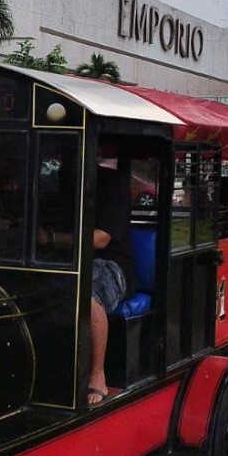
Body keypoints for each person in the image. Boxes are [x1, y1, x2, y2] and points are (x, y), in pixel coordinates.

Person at [88, 163, 133, 407]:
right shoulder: (55, 181)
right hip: (63, 257)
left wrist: (52, 237)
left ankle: (98, 374)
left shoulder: (113, 184)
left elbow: (101, 239)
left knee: (88, 295)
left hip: (113, 265)